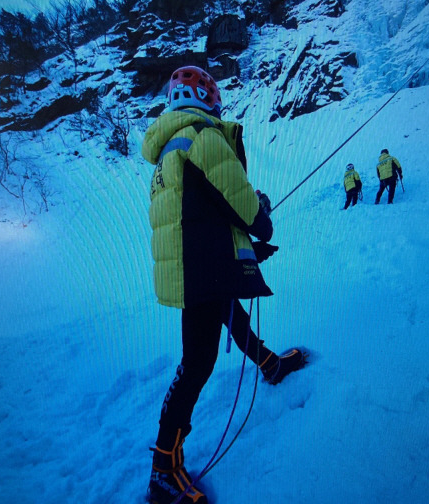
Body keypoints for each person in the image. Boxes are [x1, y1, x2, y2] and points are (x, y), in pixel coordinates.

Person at [142, 65, 306, 504]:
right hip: (202, 269)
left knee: (233, 319)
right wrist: (260, 221)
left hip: (197, 264)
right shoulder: (203, 136)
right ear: (203, 97)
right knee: (197, 363)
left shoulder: (168, 147)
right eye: (213, 94)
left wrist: (245, 247)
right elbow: (243, 204)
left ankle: (269, 364)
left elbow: (203, 210)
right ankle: (163, 468)